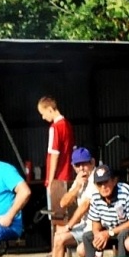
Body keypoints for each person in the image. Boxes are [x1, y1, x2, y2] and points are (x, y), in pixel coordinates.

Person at [49, 164, 129, 257]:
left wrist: (109, 233)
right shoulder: (96, 197)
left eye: (106, 182)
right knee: (88, 236)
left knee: (123, 234)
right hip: (108, 229)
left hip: (128, 229)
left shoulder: (125, 192)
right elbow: (95, 222)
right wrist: (98, 236)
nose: (103, 187)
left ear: (114, 181)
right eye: (99, 184)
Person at [38, 95, 75, 228]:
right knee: (68, 213)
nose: (43, 118)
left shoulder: (55, 128)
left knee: (57, 216)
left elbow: (54, 154)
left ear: (49, 109)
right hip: (68, 175)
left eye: (43, 114)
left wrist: (51, 179)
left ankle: (58, 246)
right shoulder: (68, 125)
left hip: (58, 178)